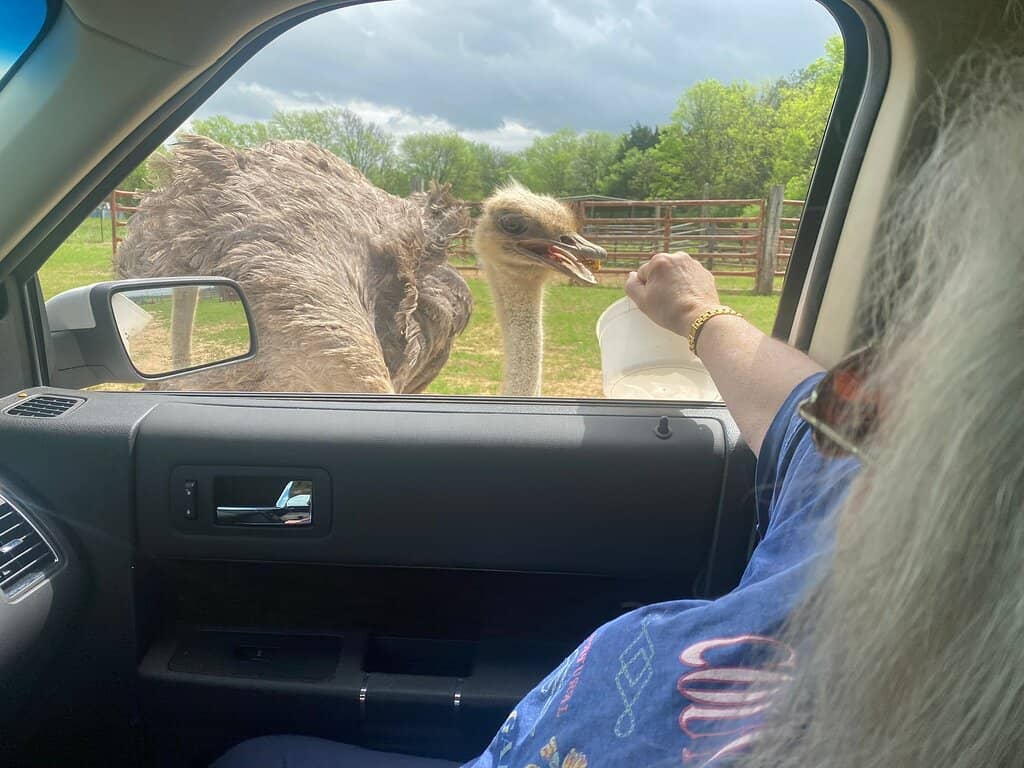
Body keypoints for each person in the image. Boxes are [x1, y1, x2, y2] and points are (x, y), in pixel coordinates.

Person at [214, 50, 1024, 768]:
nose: (846, 395)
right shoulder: (880, 494)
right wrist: (697, 314)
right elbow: (799, 413)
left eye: (930, 386)